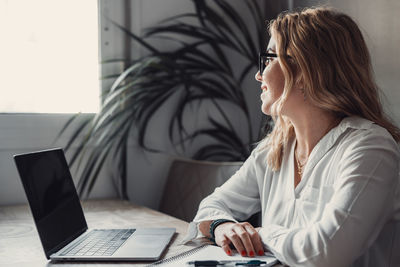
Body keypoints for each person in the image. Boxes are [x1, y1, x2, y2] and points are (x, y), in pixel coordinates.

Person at [188, 6, 400, 267]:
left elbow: (325, 252)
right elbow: (210, 208)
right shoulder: (275, 148)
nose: (258, 74)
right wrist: (221, 227)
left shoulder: (370, 148)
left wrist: (259, 235)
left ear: (304, 72)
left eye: (269, 59)